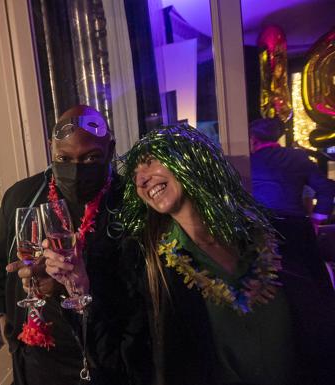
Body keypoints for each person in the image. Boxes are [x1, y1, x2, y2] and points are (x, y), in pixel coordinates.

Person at [93, 124, 333, 384]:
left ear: (191, 157)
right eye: (135, 174)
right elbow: (130, 353)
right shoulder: (150, 263)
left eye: (149, 162)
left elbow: (326, 325)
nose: (141, 179)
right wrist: (81, 291)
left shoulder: (286, 235)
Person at [0, 105, 148, 385]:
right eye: (64, 158)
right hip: (36, 360)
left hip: (102, 362)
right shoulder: (21, 196)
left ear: (110, 151)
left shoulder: (132, 204)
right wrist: (4, 315)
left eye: (91, 158)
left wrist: (68, 286)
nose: (76, 170)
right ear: (51, 149)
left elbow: (141, 295)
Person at [250, 117, 335, 303]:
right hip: (298, 228)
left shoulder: (248, 162)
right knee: (312, 287)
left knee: (272, 288)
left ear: (253, 139)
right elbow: (327, 189)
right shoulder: (298, 157)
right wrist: (317, 219)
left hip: (261, 231)